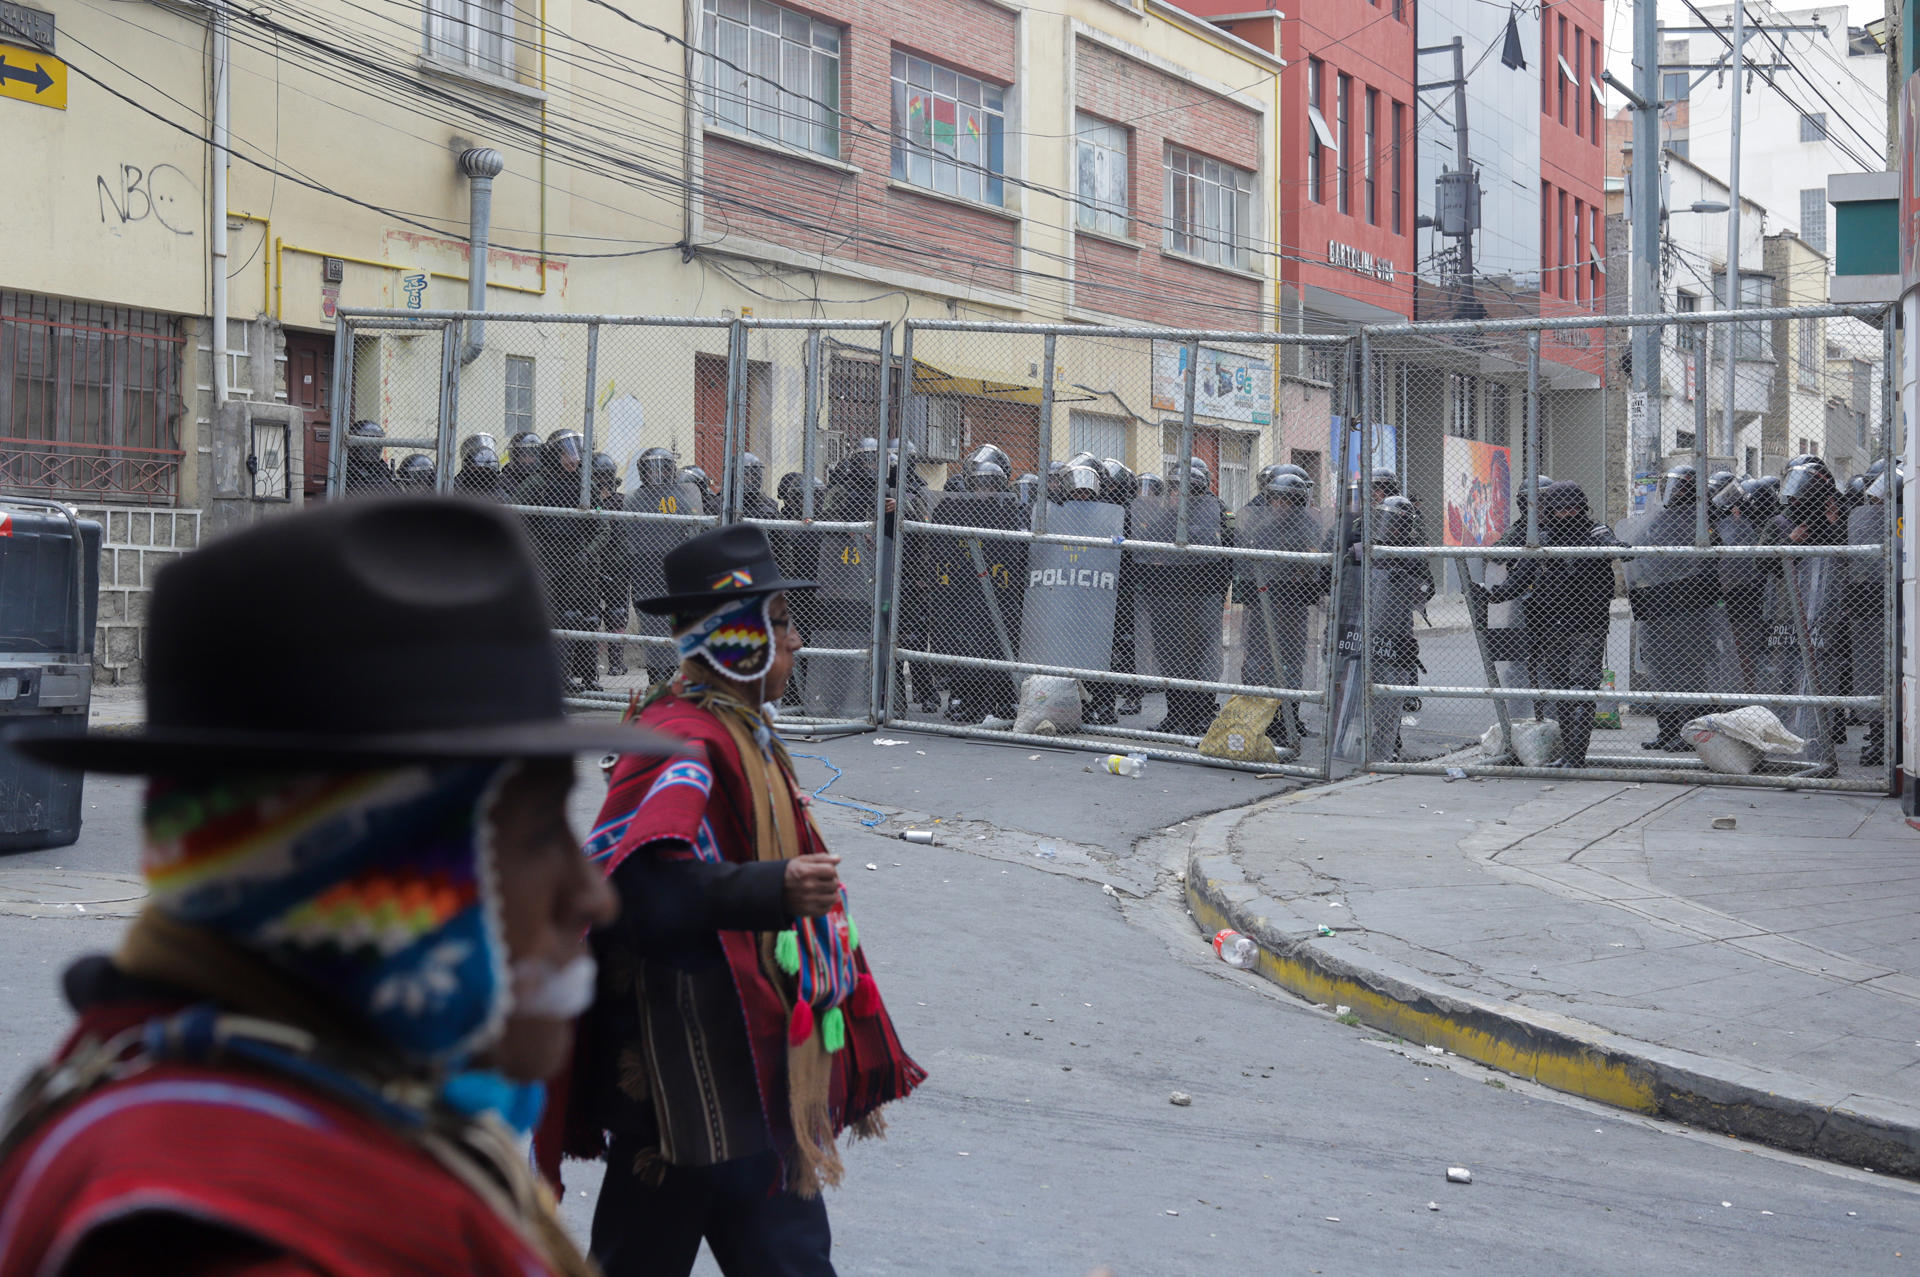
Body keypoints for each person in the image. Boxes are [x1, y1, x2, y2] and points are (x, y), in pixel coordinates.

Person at [0, 496, 678, 1277]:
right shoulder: (227, 1238)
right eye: (533, 836)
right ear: (361, 885)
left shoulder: (358, 1119)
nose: (593, 897)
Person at [542, 524, 925, 1277]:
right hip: (685, 1079)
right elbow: (640, 888)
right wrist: (773, 888)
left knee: (785, 1252)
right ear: (737, 635)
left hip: (748, 1068)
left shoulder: (737, 729)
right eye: (780, 621)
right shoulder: (682, 739)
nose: (797, 639)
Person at [1472, 482, 1619, 767]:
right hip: (1550, 625)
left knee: (1580, 689)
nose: (1566, 514)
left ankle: (1576, 757)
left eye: (1572, 508)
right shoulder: (1541, 538)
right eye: (1560, 509)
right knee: (1561, 691)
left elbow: (1620, 551)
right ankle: (1569, 755)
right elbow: (1517, 580)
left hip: (1586, 625)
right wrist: (1492, 593)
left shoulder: (1595, 532)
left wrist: (1612, 545)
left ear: (1582, 508)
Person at [1626, 464, 1722, 751]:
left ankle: (1690, 732)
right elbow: (1638, 550)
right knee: (1660, 670)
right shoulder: (1658, 519)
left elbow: (1712, 562)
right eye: (1670, 485)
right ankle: (1666, 730)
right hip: (1656, 603)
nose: (1674, 492)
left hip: (1689, 607)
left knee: (1688, 671)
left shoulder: (1705, 519)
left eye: (1680, 486)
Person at [1134, 457, 1228, 736]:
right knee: (1169, 656)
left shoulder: (1217, 511)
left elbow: (1225, 555)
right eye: (1174, 489)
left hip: (1203, 595)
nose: (1177, 495)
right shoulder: (1163, 517)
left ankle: (1200, 715)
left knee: (1201, 655)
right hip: (1166, 596)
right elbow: (1150, 552)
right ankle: (1175, 715)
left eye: (1184, 490)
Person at [1235, 470, 1325, 743]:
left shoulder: (1307, 526)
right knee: (1257, 662)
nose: (1279, 506)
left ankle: (1288, 718)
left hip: (1293, 605)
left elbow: (1311, 566)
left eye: (1286, 501)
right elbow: (1248, 560)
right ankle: (1258, 719)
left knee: (1291, 663)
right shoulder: (1261, 524)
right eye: (1275, 500)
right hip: (1264, 604)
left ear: (1297, 502)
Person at [523, 431, 598, 692]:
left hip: (573, 561)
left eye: (576, 453)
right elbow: (520, 520)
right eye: (567, 452)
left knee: (569, 617)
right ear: (555, 454)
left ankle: (562, 677)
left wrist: (586, 550)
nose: (573, 459)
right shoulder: (536, 484)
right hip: (543, 561)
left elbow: (600, 516)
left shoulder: (583, 483)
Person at [342, 419, 400, 498]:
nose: (372, 446)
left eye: (376, 440)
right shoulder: (347, 466)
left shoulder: (381, 467)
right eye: (368, 439)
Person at [455, 436, 507, 500]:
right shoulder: (457, 488)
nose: (481, 473)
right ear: (467, 469)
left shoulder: (499, 493)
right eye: (476, 469)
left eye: (486, 469)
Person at [736, 452, 782, 521]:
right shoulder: (722, 502)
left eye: (754, 475)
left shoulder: (770, 503)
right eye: (745, 474)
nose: (749, 480)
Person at [503, 431, 543, 496]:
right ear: (515, 457)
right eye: (523, 456)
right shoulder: (505, 479)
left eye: (532, 456)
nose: (527, 459)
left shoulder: (543, 477)